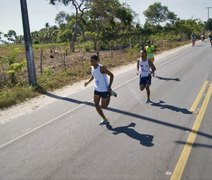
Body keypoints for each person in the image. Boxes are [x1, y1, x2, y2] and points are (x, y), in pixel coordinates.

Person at [84, 54, 117, 125]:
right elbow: (93, 76)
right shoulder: (92, 68)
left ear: (97, 61)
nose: (91, 63)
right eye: (90, 61)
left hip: (105, 90)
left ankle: (110, 93)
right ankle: (105, 119)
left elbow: (111, 75)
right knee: (96, 104)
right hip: (97, 89)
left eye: (92, 61)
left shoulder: (101, 68)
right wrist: (88, 82)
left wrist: (109, 87)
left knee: (104, 107)